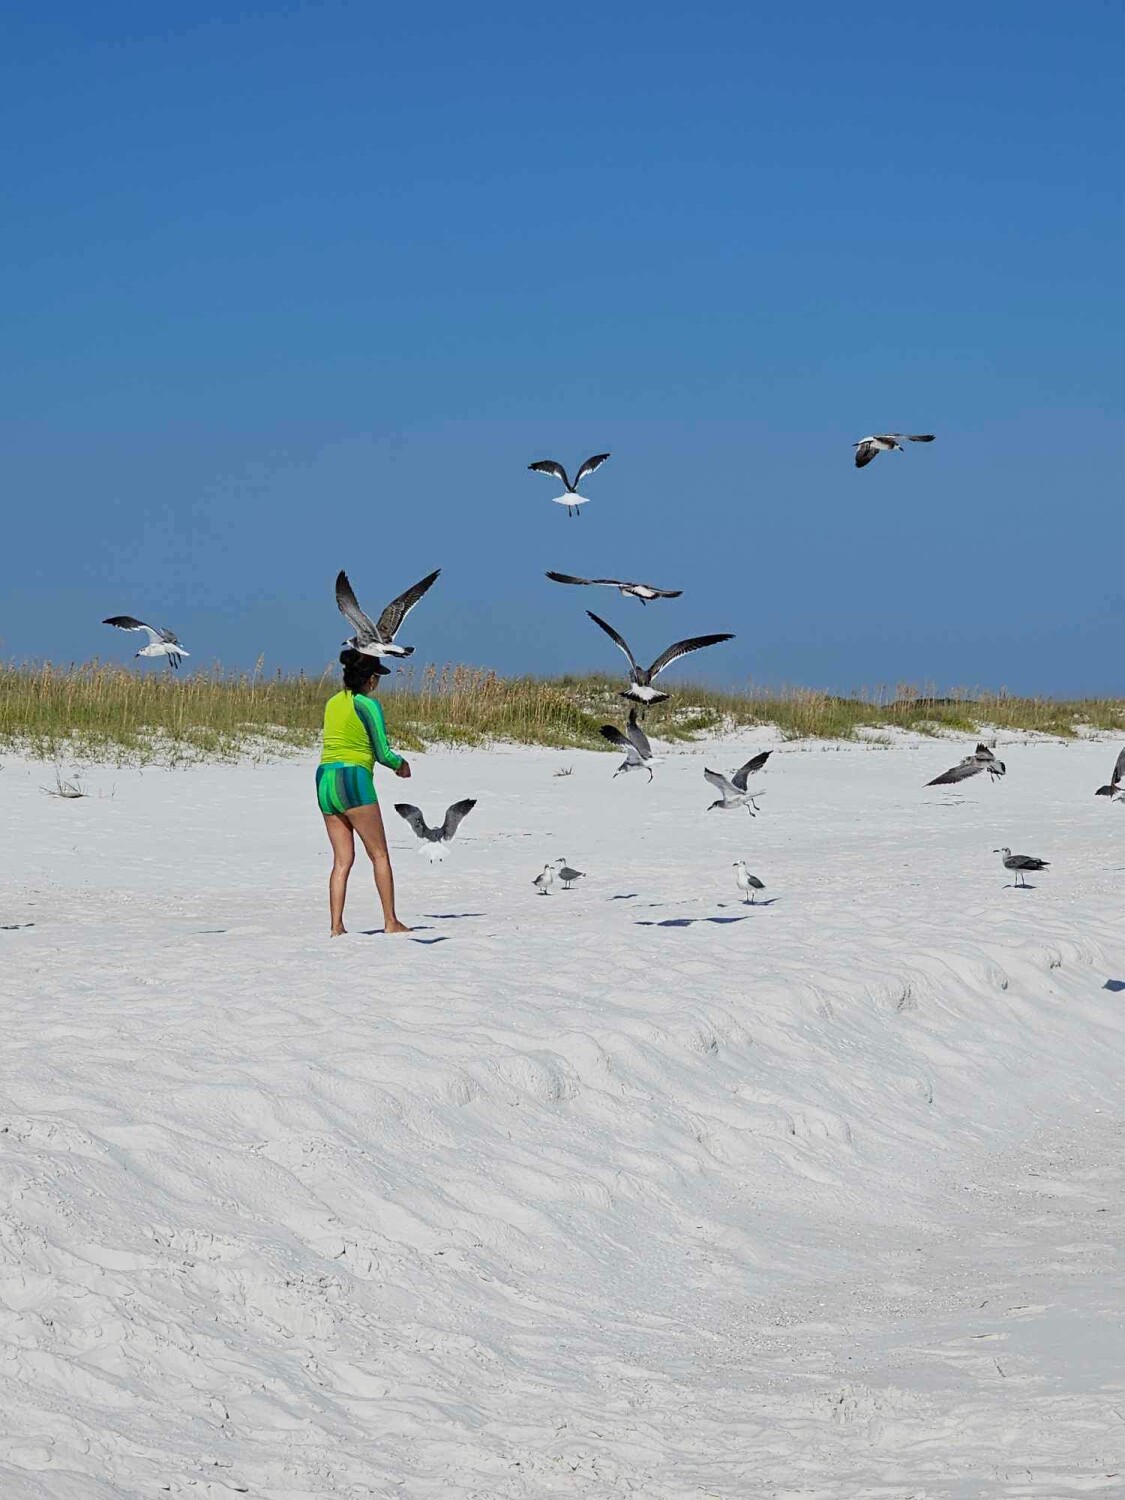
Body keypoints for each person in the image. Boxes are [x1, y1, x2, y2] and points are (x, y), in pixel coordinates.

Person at [316, 649, 412, 937]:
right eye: (376, 678)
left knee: (342, 860)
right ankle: (391, 922)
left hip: (324, 779)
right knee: (379, 854)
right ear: (370, 680)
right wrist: (401, 766)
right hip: (353, 779)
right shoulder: (368, 704)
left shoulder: (333, 702)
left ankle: (336, 926)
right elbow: (382, 752)